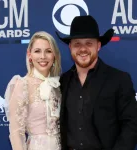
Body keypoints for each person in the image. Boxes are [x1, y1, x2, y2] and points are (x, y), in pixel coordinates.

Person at [57, 15, 137, 150]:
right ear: (70, 47)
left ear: (98, 45)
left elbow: (132, 124)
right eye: (77, 44)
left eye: (89, 43)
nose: (83, 49)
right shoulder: (63, 81)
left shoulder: (119, 79)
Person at [4, 31, 61, 150]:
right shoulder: (22, 84)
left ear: (54, 55)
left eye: (48, 51)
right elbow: (16, 132)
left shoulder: (58, 85)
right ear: (29, 55)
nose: (43, 56)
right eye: (37, 51)